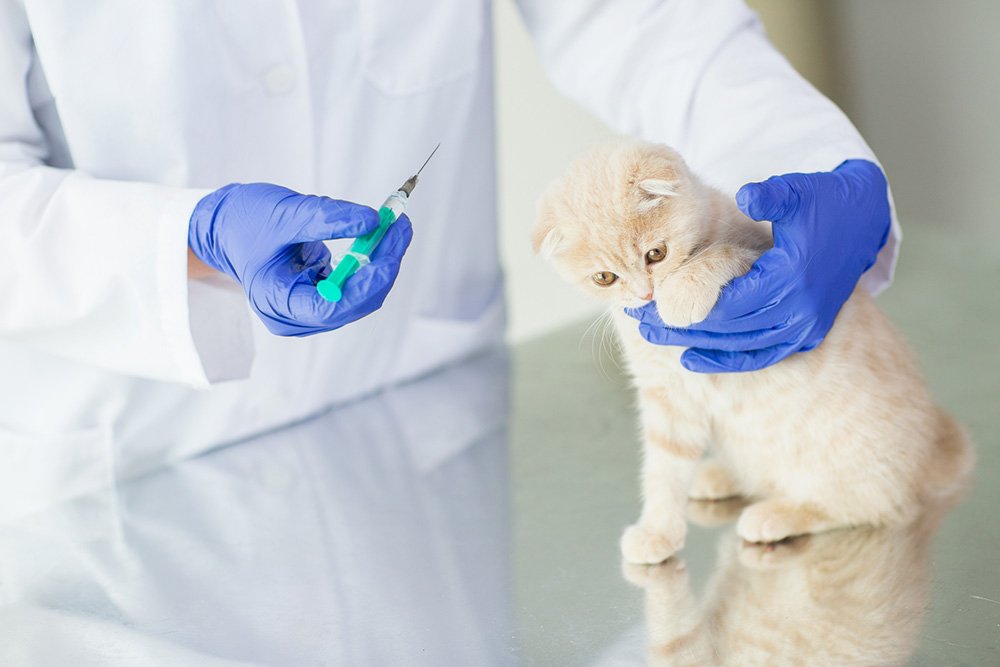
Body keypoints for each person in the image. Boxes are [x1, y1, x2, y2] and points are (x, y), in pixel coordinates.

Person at [0, 1, 897, 492]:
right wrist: (182, 242)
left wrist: (803, 170)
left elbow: (645, 18)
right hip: (132, 473)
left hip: (422, 436)